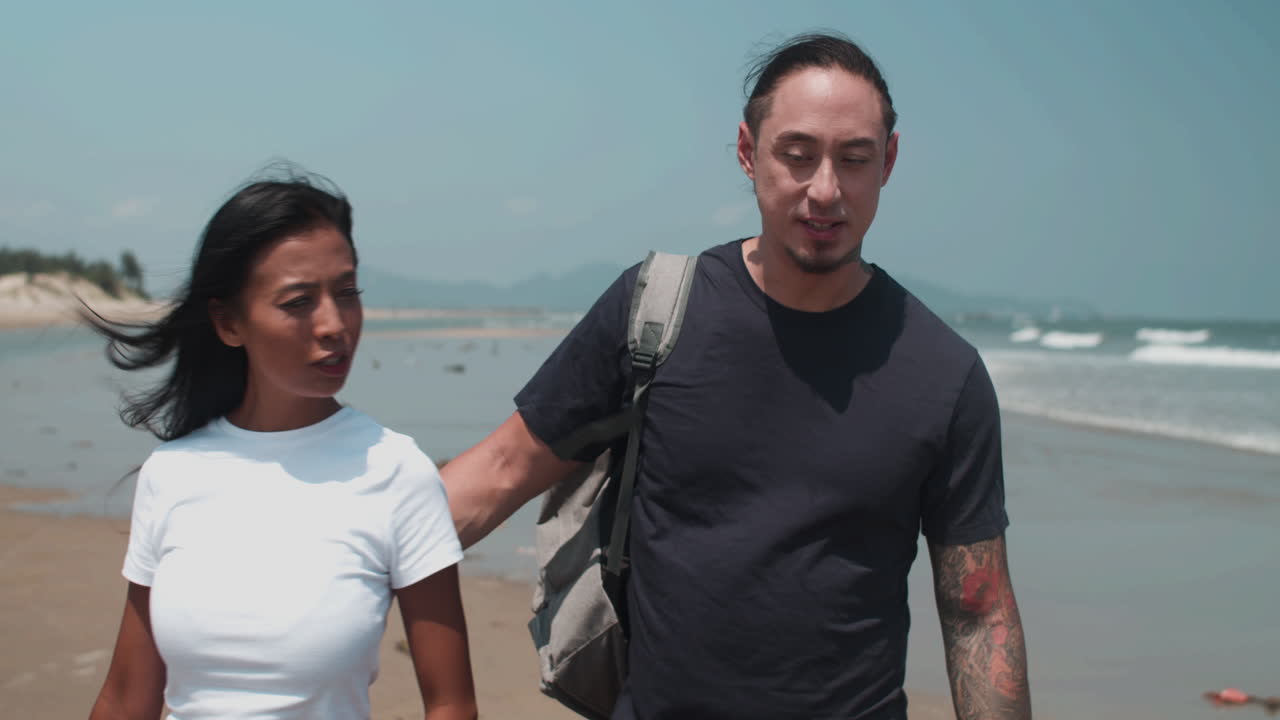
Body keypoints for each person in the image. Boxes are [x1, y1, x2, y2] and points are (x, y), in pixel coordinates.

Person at [442, 32, 1030, 720]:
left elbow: (977, 613)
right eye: (797, 155)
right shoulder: (655, 313)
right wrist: (328, 545)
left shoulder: (944, 374)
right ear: (749, 152)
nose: (825, 191)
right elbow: (501, 471)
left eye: (854, 160)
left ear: (888, 163)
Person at [86, 174, 477, 720]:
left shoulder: (396, 472)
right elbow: (128, 699)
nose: (334, 325)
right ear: (228, 323)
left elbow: (451, 706)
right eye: (298, 302)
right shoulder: (172, 473)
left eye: (347, 294)